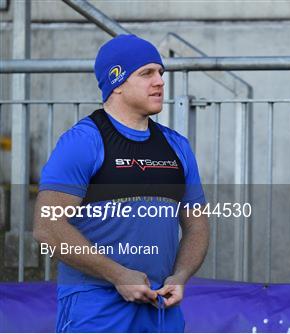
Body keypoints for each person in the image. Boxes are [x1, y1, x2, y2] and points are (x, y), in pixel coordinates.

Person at [33, 34, 209, 332]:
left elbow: (197, 225)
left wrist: (179, 277)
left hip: (160, 309)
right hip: (94, 308)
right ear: (116, 82)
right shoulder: (83, 142)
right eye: (146, 73)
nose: (160, 82)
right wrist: (117, 275)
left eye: (161, 73)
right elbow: (47, 227)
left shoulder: (177, 146)